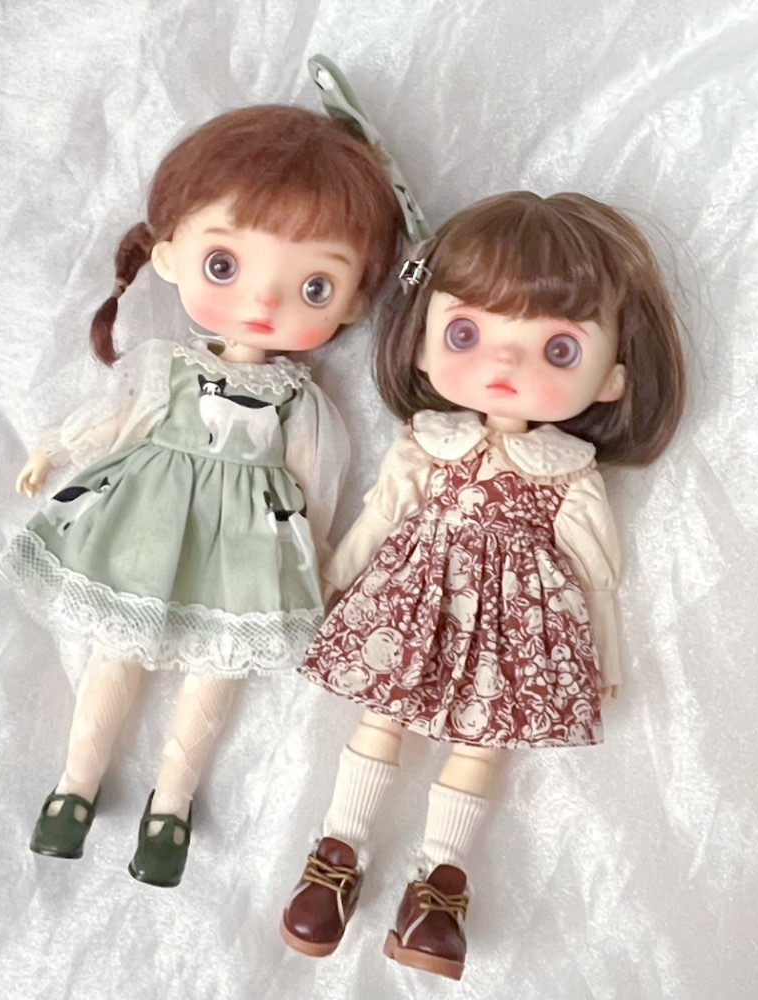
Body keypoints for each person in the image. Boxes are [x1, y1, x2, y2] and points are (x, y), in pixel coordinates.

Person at [281, 191, 686, 978]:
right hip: (413, 604)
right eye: (466, 334)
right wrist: (332, 576)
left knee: (483, 740)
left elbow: (599, 573)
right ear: (422, 344)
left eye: (558, 350)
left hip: (515, 625)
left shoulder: (568, 471)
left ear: (614, 378)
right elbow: (380, 516)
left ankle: (438, 886)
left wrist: (604, 654)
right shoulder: (428, 442)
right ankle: (335, 853)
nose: (504, 365)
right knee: (381, 717)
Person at [0, 103, 402, 887]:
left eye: (314, 284)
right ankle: (74, 786)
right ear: (170, 254)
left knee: (216, 669)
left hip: (245, 547)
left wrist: (314, 559)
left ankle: (171, 808)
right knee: (118, 651)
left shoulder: (299, 400)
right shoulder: (169, 367)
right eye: (224, 265)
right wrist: (57, 448)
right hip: (148, 524)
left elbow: (315, 484)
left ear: (352, 303)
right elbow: (120, 420)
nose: (263, 302)